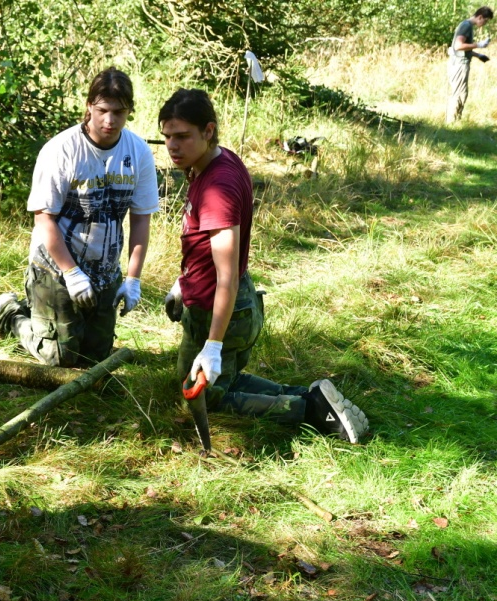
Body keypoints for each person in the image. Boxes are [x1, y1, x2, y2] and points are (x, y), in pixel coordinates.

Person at [158, 88, 369, 443]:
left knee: (205, 395)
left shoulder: (217, 187)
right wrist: (184, 282)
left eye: (182, 136)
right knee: (226, 379)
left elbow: (224, 275)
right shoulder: (215, 162)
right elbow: (204, 248)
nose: (172, 146)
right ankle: (310, 395)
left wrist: (212, 346)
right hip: (226, 299)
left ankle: (312, 412)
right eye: (166, 137)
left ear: (208, 131)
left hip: (221, 307)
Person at [0, 67, 159, 367]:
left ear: (129, 110)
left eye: (119, 111)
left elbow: (141, 219)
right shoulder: (61, 150)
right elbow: (44, 219)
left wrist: (133, 279)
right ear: (89, 106)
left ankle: (52, 317)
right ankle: (12, 313)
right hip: (55, 267)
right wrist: (72, 273)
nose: (109, 120)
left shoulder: (138, 152)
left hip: (104, 270)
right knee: (61, 357)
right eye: (102, 110)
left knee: (95, 357)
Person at [447, 7, 493, 123]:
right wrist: (479, 44)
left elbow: (464, 49)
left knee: (462, 93)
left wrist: (478, 55)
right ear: (480, 17)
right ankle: (451, 124)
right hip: (459, 65)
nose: (484, 24)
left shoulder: (467, 26)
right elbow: (458, 46)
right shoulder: (466, 26)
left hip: (460, 63)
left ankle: (456, 122)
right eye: (485, 21)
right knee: (458, 94)